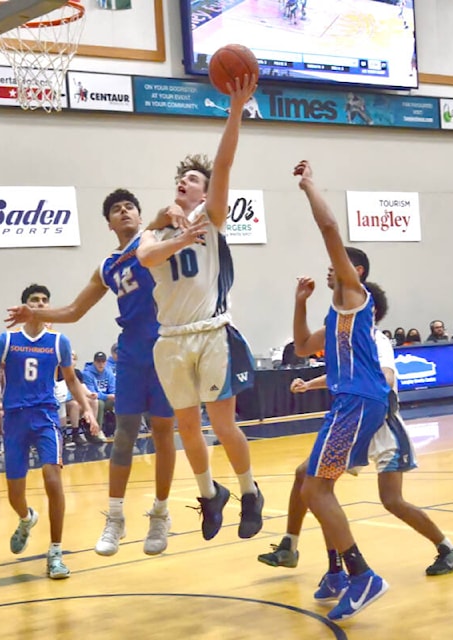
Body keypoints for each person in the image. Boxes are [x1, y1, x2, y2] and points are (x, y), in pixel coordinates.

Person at [5, 188, 178, 557]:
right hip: (132, 350)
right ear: (109, 222)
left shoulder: (153, 238)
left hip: (166, 345)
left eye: (130, 206)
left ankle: (160, 513)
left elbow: (168, 211)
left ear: (138, 213)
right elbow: (73, 311)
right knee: (125, 434)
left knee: (164, 432)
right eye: (116, 209)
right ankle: (115, 518)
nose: (124, 211)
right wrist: (35, 313)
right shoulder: (107, 266)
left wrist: (169, 213)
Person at [258, 280, 453, 582]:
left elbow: (386, 375)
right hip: (356, 422)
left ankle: (446, 547)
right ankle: (298, 548)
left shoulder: (375, 340)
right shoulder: (344, 339)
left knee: (391, 500)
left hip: (382, 427)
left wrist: (372, 381)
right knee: (310, 478)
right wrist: (310, 384)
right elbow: (337, 369)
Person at [136, 73, 264, 542]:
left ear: (205, 192)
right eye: (181, 178)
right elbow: (145, 257)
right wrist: (168, 231)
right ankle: (211, 495)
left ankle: (250, 492)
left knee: (223, 422)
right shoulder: (154, 232)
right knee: (186, 426)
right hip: (169, 340)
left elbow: (225, 163)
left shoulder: (211, 219)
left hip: (211, 332)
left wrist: (234, 112)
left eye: (192, 179)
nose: (182, 182)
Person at [285, 160, 390, 621]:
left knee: (315, 488)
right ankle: (336, 571)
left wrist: (309, 186)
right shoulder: (335, 314)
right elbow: (305, 347)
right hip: (348, 402)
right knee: (308, 481)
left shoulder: (354, 294)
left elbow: (329, 227)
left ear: (355, 270)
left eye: (339, 265)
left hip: (360, 400)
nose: (331, 270)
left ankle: (362, 574)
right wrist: (299, 303)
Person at [0, 284, 98, 579]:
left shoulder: (58, 341)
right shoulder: (8, 339)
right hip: (14, 420)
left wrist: (87, 410)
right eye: (34, 300)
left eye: (44, 300)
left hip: (46, 416)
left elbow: (72, 380)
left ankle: (55, 552)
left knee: (53, 479)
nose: (39, 304)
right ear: (24, 306)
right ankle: (26, 519)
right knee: (15, 494)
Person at [82, 351, 116, 428]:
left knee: (120, 401)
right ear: (94, 362)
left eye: (103, 362)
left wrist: (113, 395)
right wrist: (108, 396)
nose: (101, 364)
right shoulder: (87, 374)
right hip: (92, 399)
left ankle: (121, 429)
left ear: (106, 362)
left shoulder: (109, 372)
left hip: (107, 398)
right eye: (98, 362)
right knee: (99, 403)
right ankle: (98, 429)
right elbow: (92, 394)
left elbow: (113, 389)